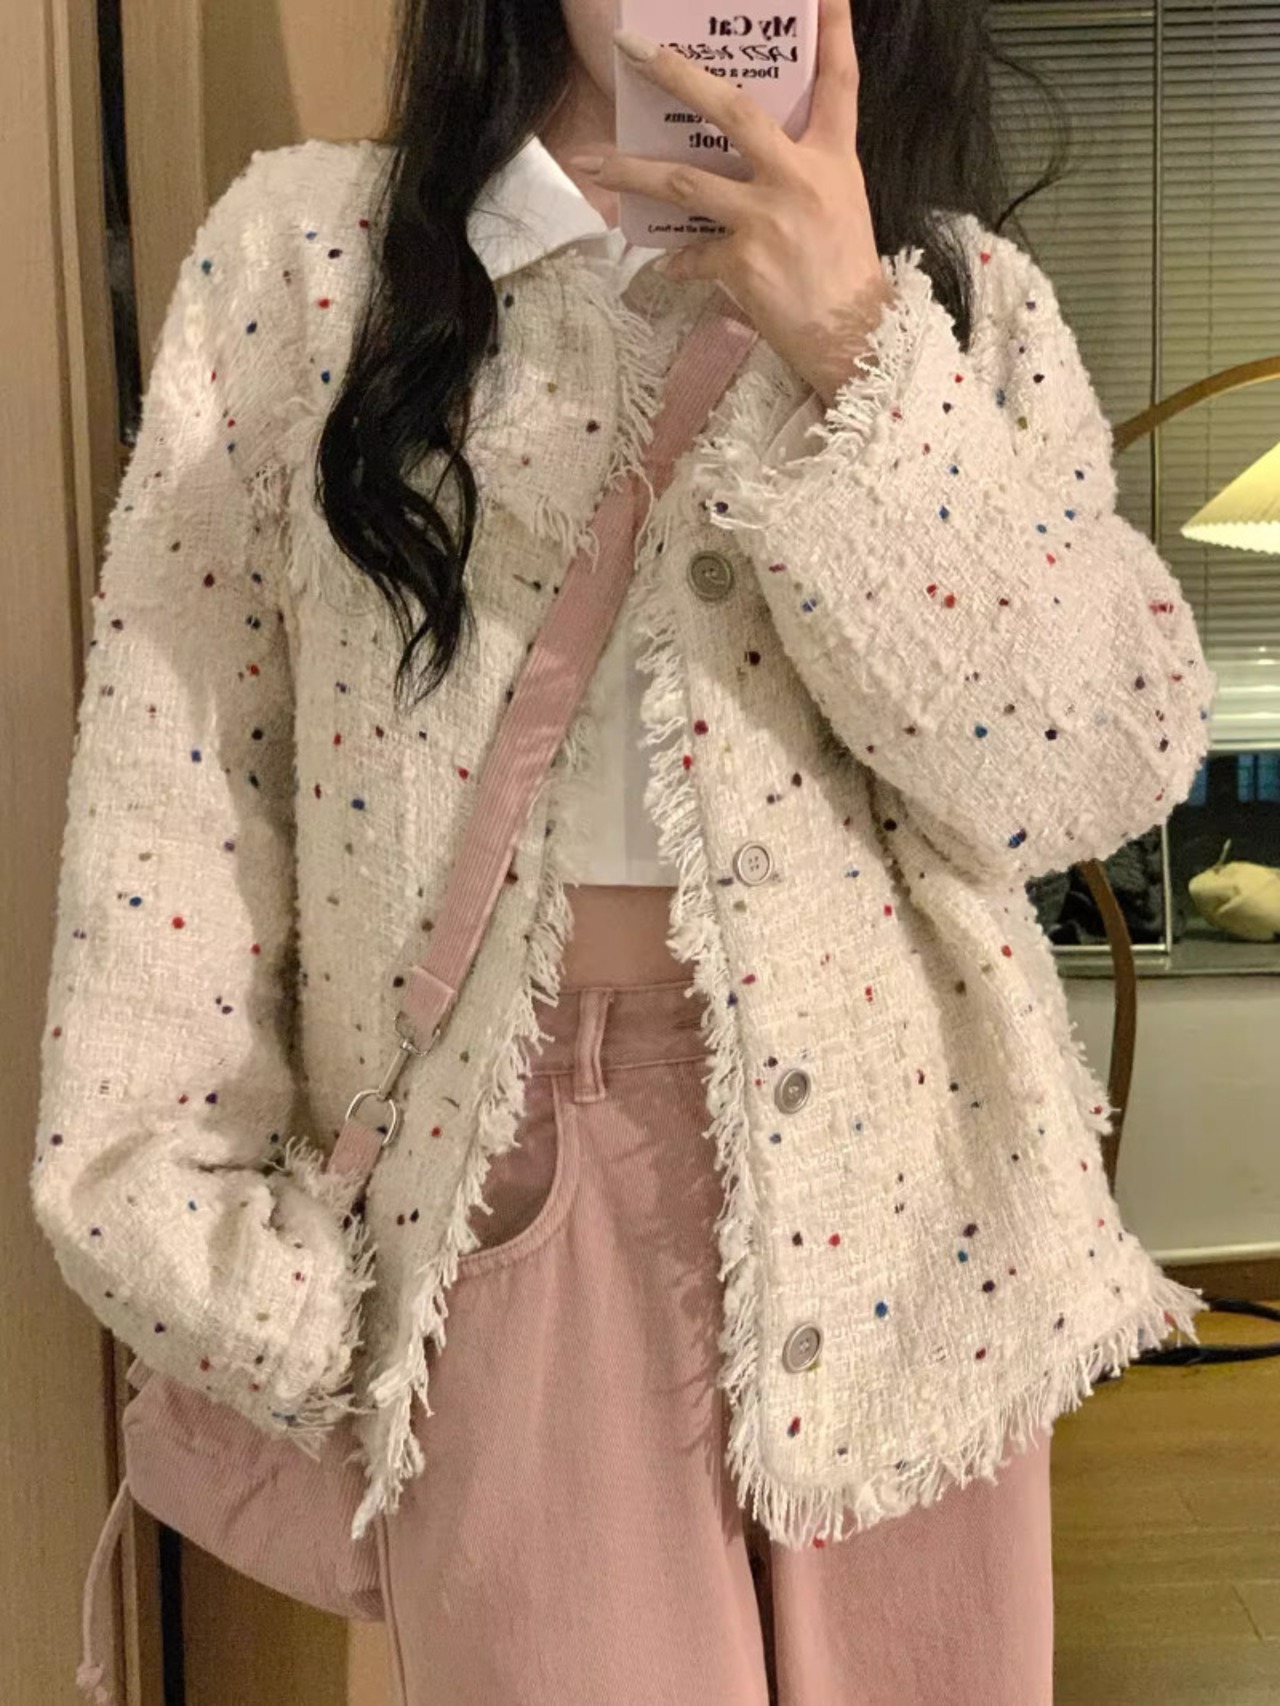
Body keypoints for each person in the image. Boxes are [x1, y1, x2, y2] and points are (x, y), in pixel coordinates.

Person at [32, 0, 1216, 1700]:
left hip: (917, 1184)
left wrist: (853, 338)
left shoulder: (958, 297)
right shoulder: (310, 261)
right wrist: (175, 1206)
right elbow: (187, 767)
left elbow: (1095, 766)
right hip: (503, 1176)